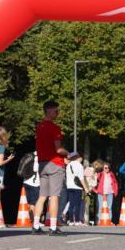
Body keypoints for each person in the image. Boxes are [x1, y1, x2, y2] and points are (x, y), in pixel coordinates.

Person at [33, 100, 69, 235]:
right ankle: (53, 227)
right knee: (54, 196)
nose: (58, 113)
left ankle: (36, 225)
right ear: (49, 111)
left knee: (42, 196)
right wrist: (68, 153)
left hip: (42, 164)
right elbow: (58, 149)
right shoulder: (55, 128)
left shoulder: (39, 127)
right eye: (56, 110)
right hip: (55, 163)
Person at [64, 152, 85, 225]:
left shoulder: (68, 165)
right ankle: (77, 221)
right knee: (77, 204)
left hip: (69, 186)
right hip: (77, 187)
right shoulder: (79, 165)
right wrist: (86, 188)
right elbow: (81, 179)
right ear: (78, 157)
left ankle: (71, 221)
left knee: (71, 204)